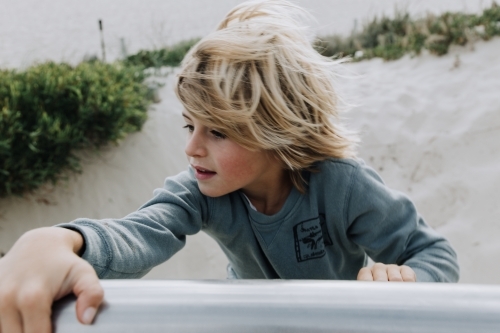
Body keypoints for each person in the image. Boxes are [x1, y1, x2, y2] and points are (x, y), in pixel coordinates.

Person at [0, 0, 459, 331]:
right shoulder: (201, 191)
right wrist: (63, 240)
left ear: (275, 130)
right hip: (252, 322)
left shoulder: (341, 185)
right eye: (189, 127)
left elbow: (435, 255)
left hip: (337, 322)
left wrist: (406, 276)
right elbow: (140, 232)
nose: (193, 148)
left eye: (217, 131)